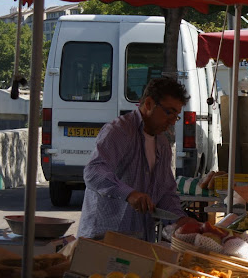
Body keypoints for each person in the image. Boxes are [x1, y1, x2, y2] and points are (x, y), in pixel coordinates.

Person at [78, 77, 194, 241]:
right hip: (104, 239)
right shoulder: (119, 131)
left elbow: (166, 191)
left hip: (140, 240)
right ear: (148, 104)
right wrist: (129, 194)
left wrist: (180, 219)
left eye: (177, 115)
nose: (173, 121)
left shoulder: (163, 144)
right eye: (169, 112)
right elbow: (93, 171)